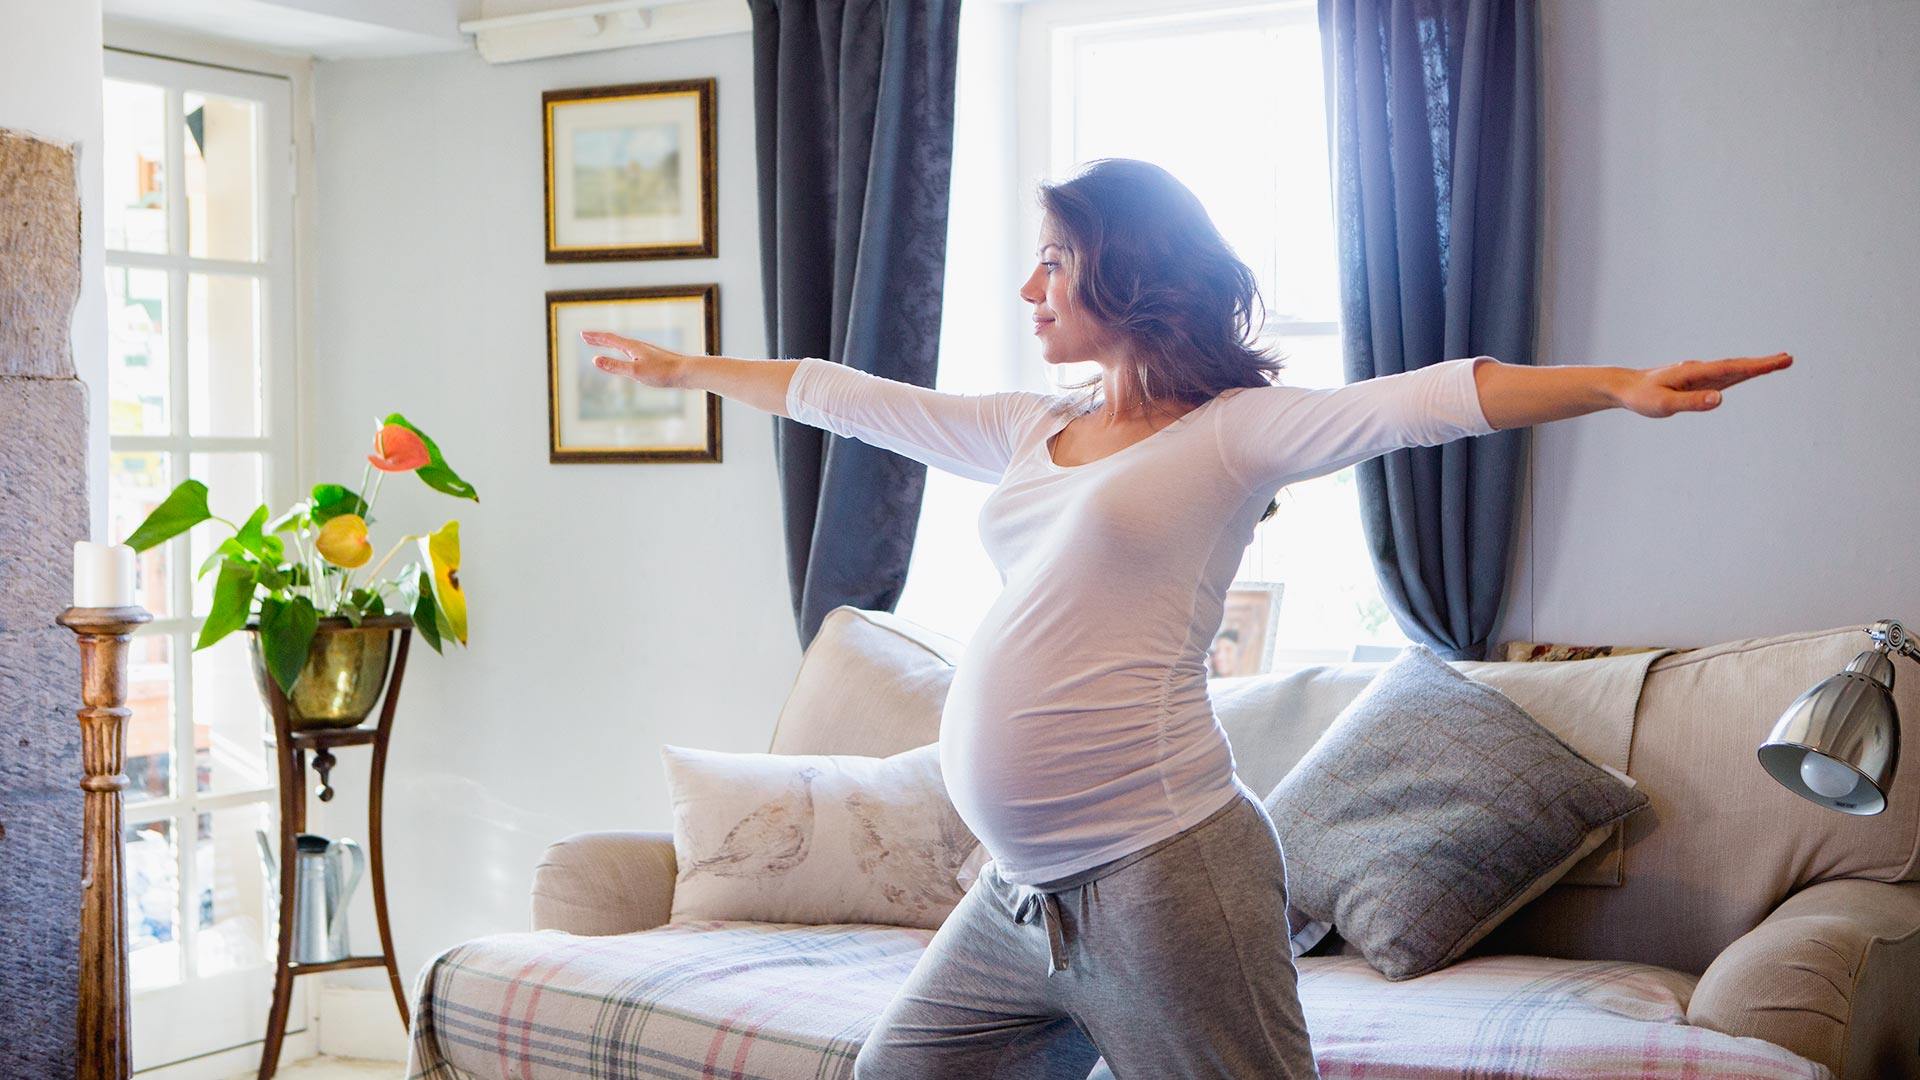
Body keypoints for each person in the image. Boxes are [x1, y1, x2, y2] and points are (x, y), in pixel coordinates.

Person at [582, 157, 1792, 1080]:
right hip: (1019, 898)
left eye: (1053, 259)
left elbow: (1424, 402)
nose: (1029, 285)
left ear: (1127, 269)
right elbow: (853, 401)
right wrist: (689, 374)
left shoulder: (1233, 435)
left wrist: (1616, 385)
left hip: (1165, 880)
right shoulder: (1029, 426)